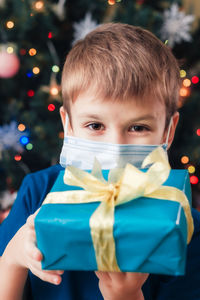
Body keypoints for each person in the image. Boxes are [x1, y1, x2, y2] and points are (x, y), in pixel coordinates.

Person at [0, 23, 200, 300]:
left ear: (168, 130)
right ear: (68, 124)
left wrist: (127, 295)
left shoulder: (183, 222)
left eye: (138, 127)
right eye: (95, 125)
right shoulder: (39, 192)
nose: (114, 147)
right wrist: (13, 258)